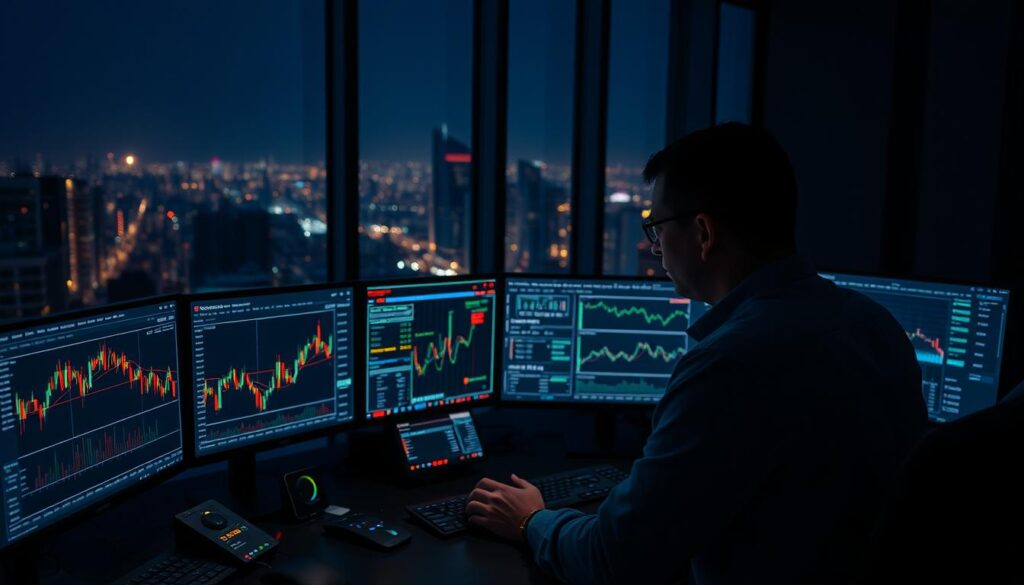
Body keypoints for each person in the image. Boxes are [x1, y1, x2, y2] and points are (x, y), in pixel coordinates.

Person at [465, 123, 929, 584]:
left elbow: (612, 561)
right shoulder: (876, 327)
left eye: (657, 228)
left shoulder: (729, 366)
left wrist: (532, 520)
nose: (655, 245)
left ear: (703, 233)